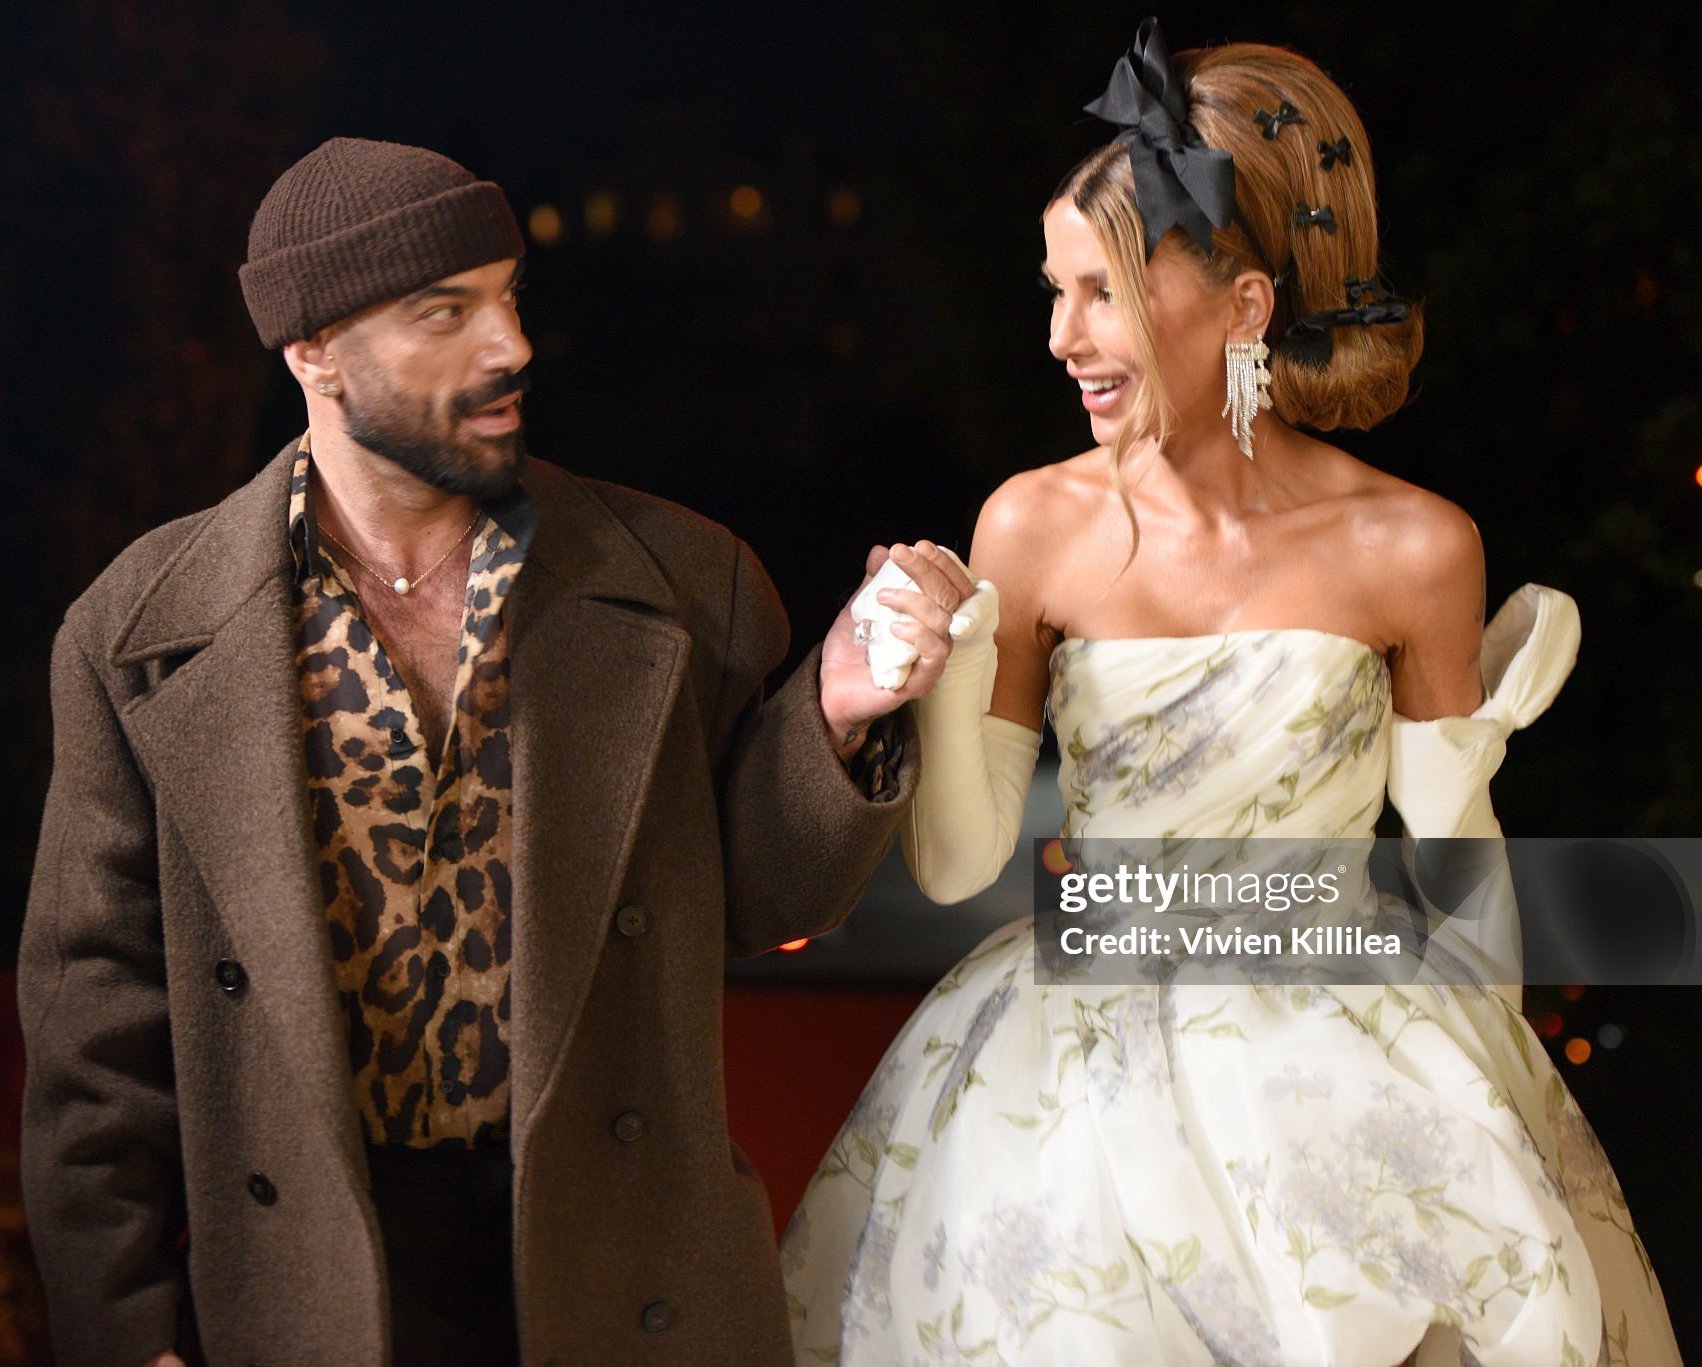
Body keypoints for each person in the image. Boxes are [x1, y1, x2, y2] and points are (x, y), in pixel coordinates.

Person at [782, 22, 1681, 1365]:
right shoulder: (1031, 525)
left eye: (1101, 293)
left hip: (1343, 1036)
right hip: (1069, 1071)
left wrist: (1484, 1087)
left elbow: (1456, 859)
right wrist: (950, 660)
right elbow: (962, 862)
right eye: (1052, 291)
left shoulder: (1413, 544)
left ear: (1246, 306)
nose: (1059, 337)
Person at [18, 137, 970, 1366]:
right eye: (445, 313)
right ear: (313, 351)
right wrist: (125, 1331)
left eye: (509, 296)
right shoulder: (140, 630)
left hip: (614, 1255)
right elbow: (95, 1038)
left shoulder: (684, 581)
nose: (509, 344)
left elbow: (756, 899)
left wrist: (835, 710)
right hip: (305, 1273)